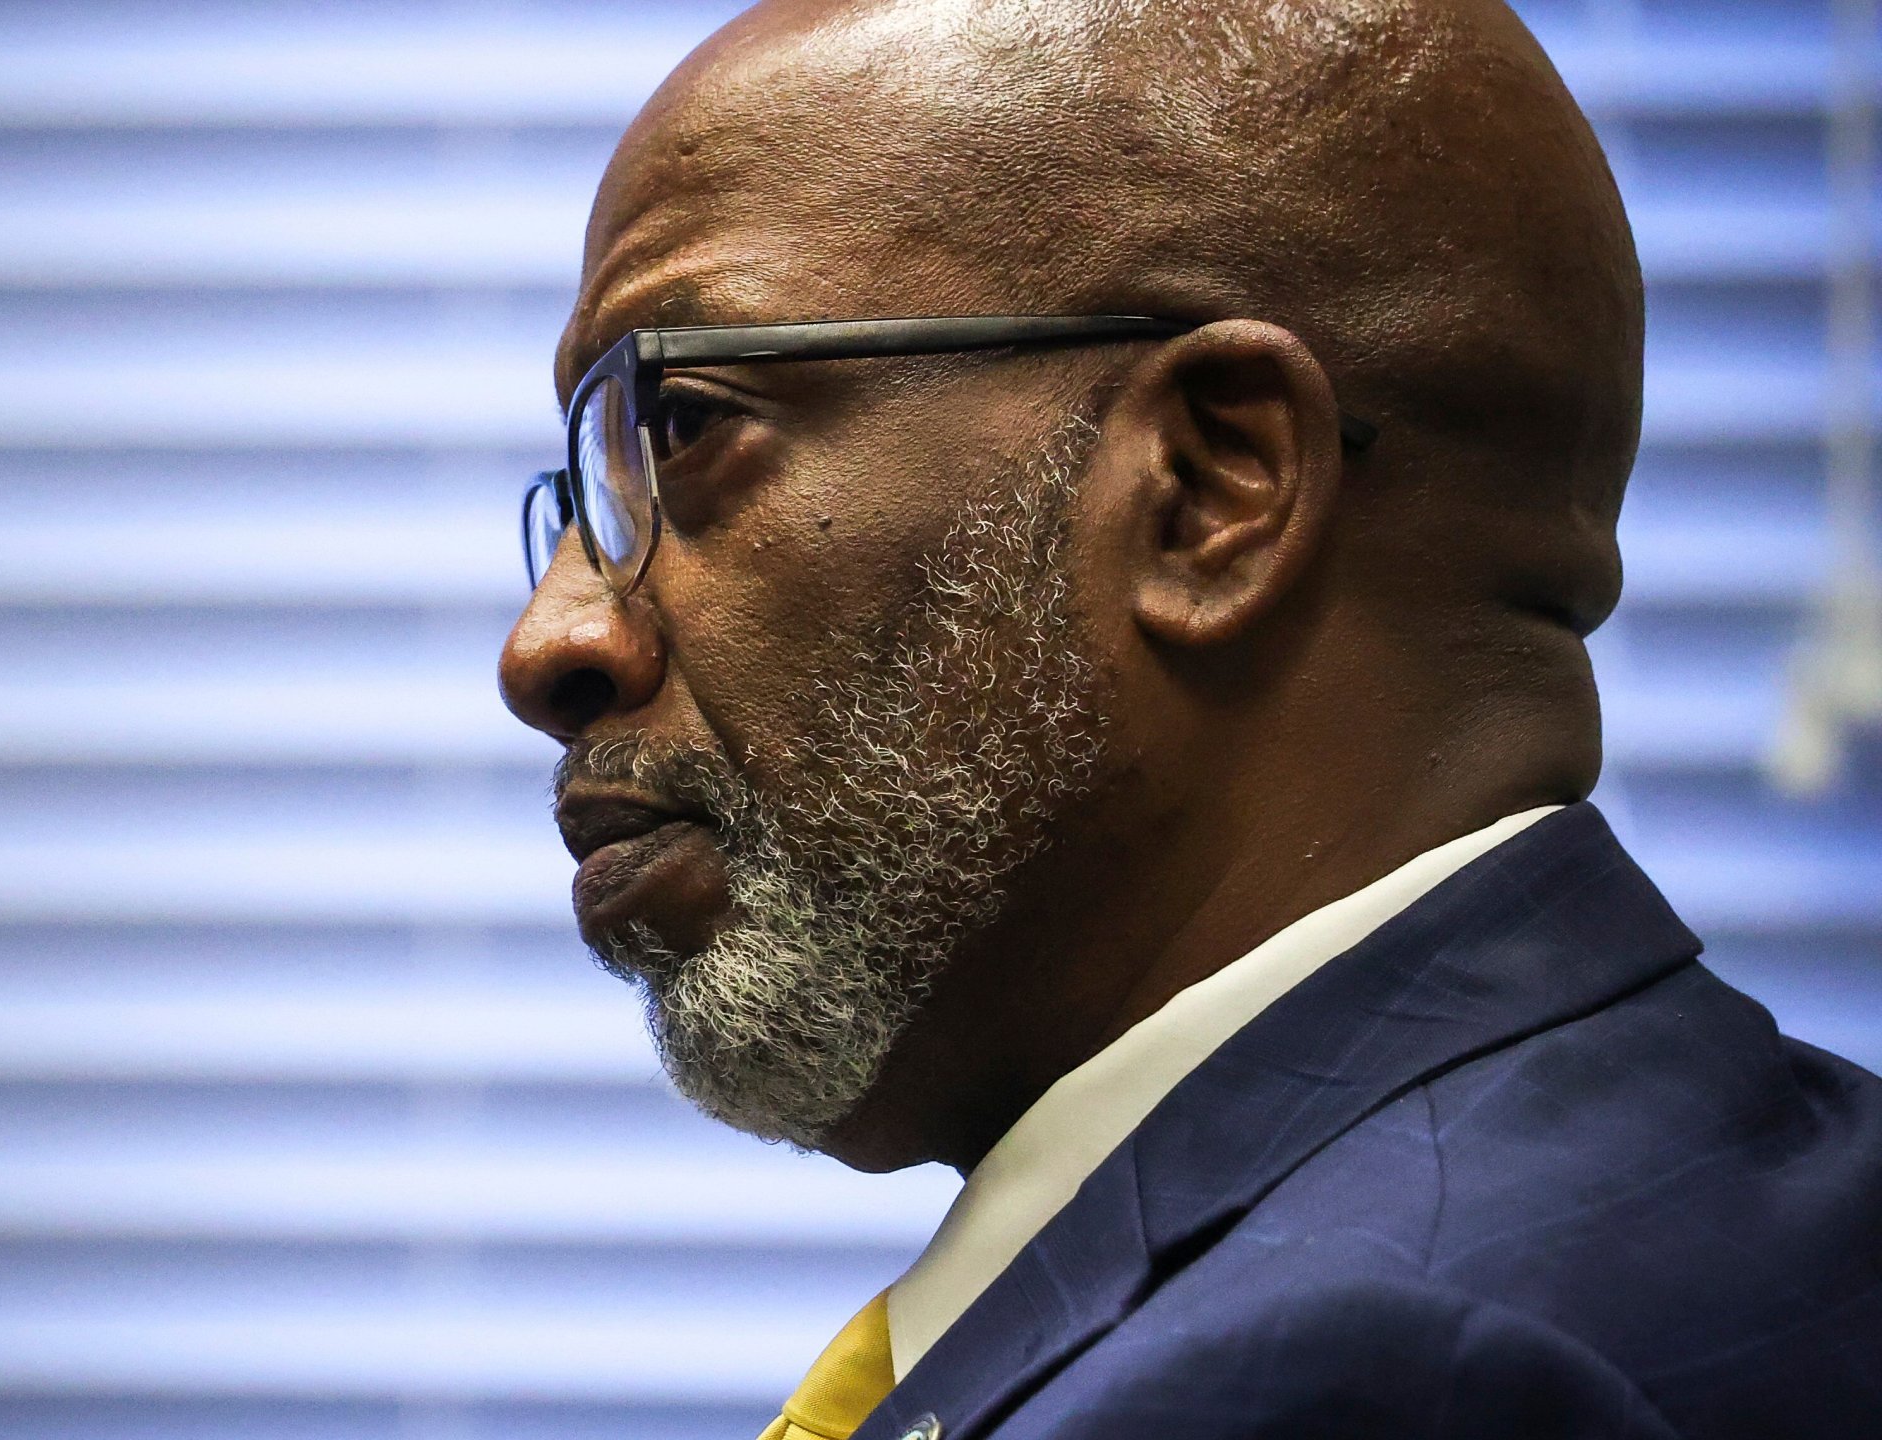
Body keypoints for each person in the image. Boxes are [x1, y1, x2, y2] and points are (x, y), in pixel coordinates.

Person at [495, 0, 1882, 1436]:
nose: (551, 643)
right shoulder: (1732, 1191)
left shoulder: (1347, 1383)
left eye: (683, 429)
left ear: (1213, 489)